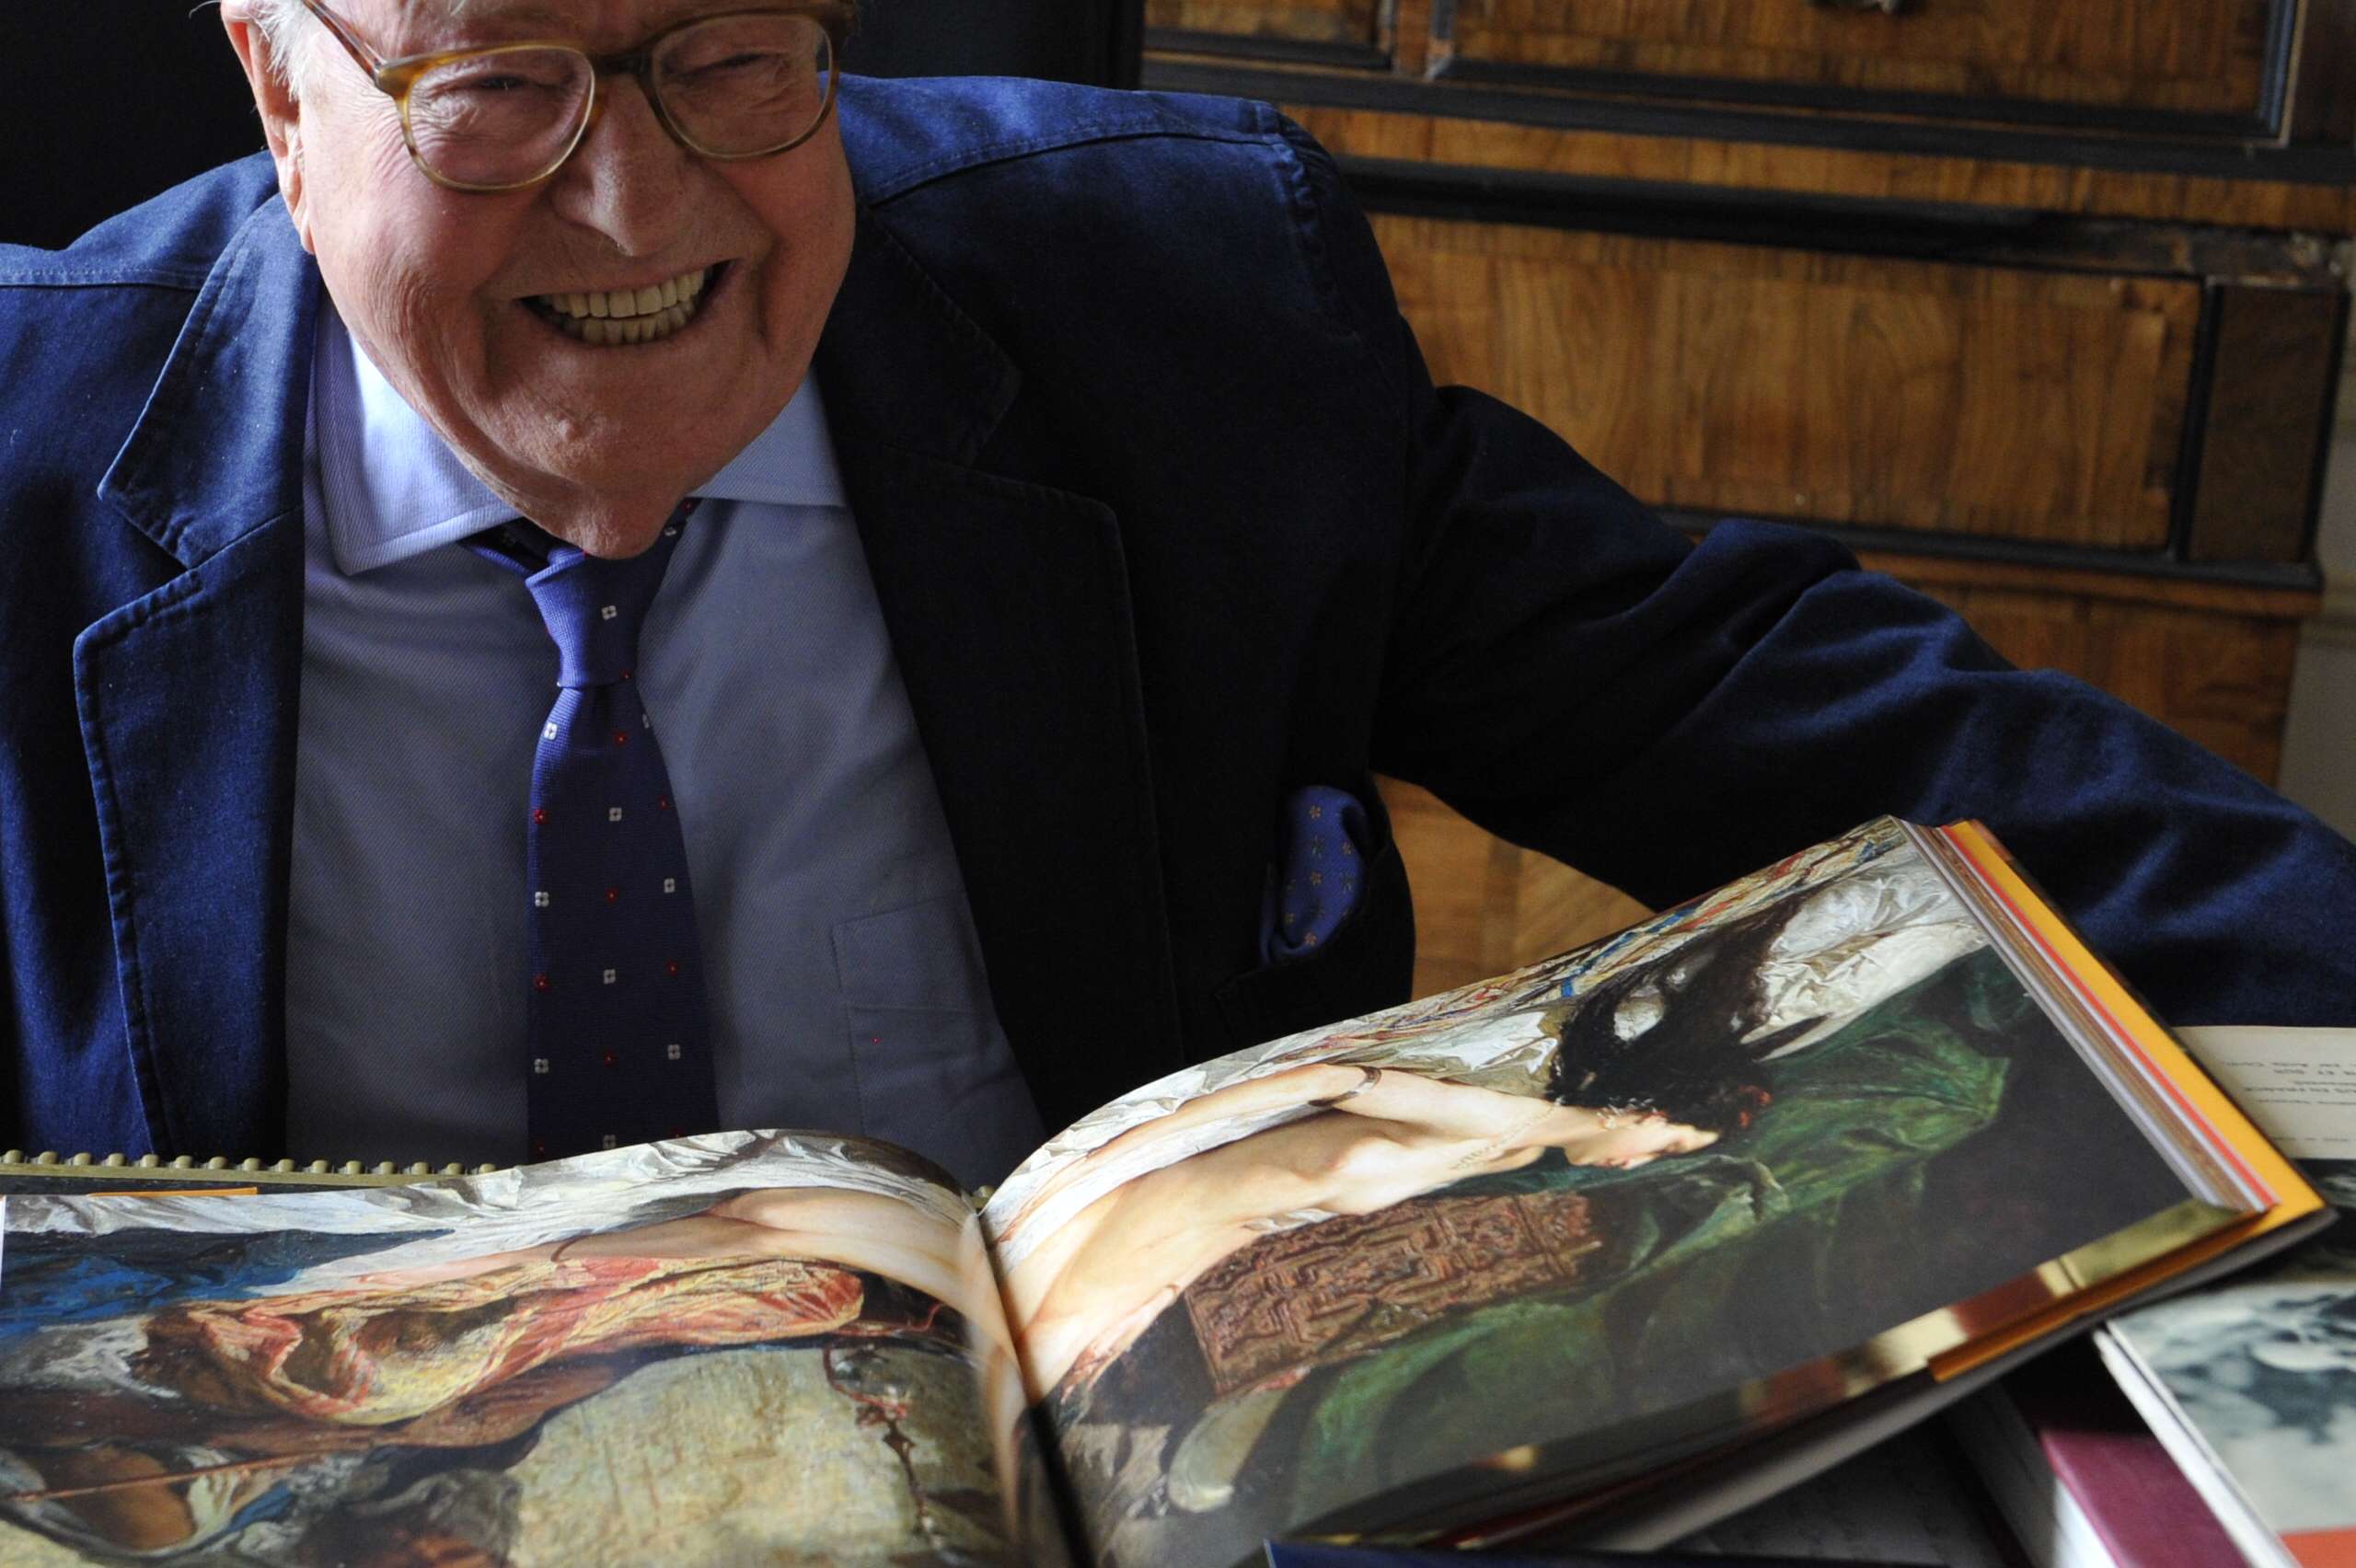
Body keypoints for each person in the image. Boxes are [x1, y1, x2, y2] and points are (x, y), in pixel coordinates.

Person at [4, 0, 2353, 1184]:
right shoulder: (23, 457)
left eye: (731, 57)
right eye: (497, 87)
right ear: (281, 97)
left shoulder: (1187, 313)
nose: (642, 209)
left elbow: (1806, 716)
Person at [994, 1006, 1771, 1400]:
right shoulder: (1499, 1118)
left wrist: (1152, 1301)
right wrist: (1129, 1145)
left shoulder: (1523, 1150)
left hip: (1185, 1244)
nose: (1636, 1164)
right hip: (1149, 1197)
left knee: (1045, 1375)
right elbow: (1320, 1081)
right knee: (1014, 1363)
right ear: (1645, 1110)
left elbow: (1262, 1219)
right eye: (1665, 1146)